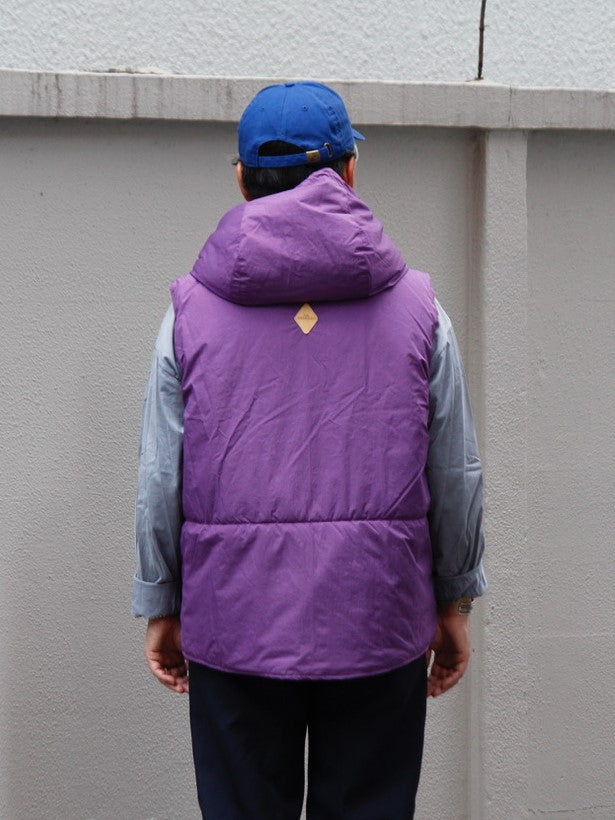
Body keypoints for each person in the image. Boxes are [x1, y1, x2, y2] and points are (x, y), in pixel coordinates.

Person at [132, 81, 487, 819]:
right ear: (350, 171)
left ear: (241, 178)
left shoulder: (189, 313)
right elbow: (455, 471)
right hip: (377, 618)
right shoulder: (421, 310)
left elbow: (161, 475)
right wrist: (452, 597)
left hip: (234, 621)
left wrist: (160, 600)